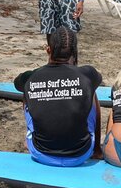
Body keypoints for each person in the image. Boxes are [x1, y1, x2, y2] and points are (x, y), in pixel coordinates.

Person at [13, 27, 102, 166]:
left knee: (27, 91)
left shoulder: (32, 76)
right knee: (91, 91)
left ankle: (30, 137)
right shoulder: (88, 74)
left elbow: (17, 83)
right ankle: (97, 150)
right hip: (81, 154)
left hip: (40, 153)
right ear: (74, 52)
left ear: (48, 50)